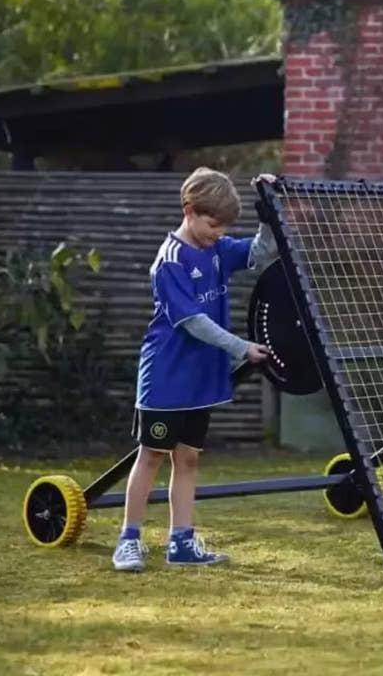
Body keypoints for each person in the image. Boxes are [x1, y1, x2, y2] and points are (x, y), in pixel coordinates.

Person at [112, 167, 278, 571]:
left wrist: (267, 210)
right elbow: (193, 323)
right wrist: (240, 347)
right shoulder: (170, 261)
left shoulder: (216, 248)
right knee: (151, 455)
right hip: (166, 377)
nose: (218, 232)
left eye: (224, 226)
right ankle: (129, 540)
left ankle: (181, 543)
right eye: (212, 223)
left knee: (187, 459)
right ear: (189, 210)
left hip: (202, 380)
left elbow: (260, 252)